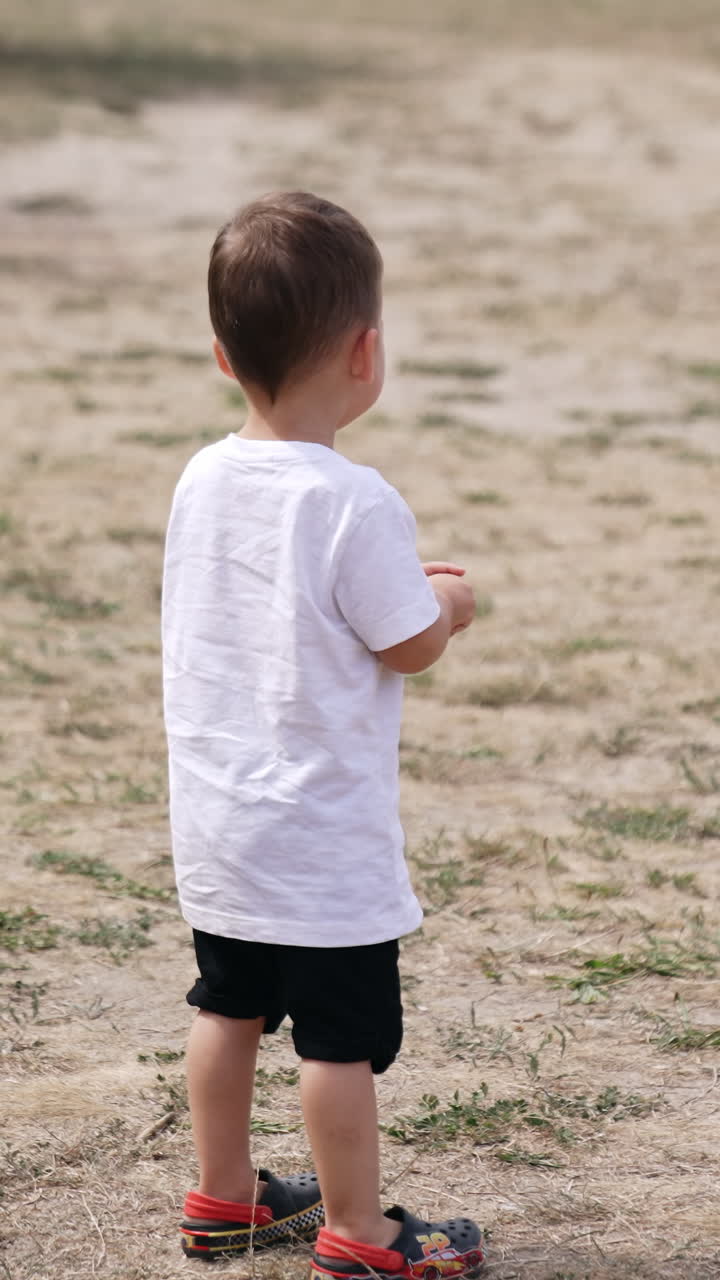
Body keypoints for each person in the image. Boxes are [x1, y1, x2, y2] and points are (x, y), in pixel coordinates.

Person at [162, 192, 484, 1276]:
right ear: (366, 350)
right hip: (322, 844)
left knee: (228, 1005)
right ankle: (359, 1224)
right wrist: (448, 598)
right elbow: (407, 643)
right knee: (339, 1043)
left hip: (222, 825)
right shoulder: (356, 500)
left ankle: (224, 1192)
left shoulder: (202, 480)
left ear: (220, 353)